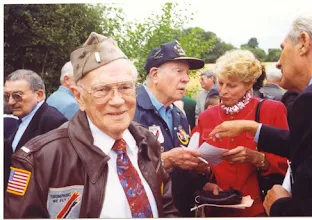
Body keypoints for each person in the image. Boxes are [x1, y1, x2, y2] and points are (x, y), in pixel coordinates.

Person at [5, 32, 179, 218]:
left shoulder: (147, 141)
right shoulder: (39, 160)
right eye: (102, 90)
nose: (118, 101)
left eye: (125, 87)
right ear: (79, 97)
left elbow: (166, 208)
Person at [208, 10, 312, 216]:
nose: (278, 62)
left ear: (304, 42)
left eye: (282, 49)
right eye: (221, 83)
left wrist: (281, 206)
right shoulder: (207, 115)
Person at [197, 49, 289, 217]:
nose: (223, 91)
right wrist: (207, 182)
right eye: (221, 83)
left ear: (249, 83)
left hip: (258, 210)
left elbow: (286, 166)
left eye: (232, 85)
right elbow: (199, 163)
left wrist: (256, 158)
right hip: (218, 209)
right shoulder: (206, 117)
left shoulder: (272, 110)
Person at [134, 40, 216, 217]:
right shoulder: (128, 111)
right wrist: (165, 161)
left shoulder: (178, 115)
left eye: (187, 72)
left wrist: (202, 181)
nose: (186, 78)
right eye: (179, 71)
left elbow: (181, 167)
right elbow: (117, 170)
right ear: (154, 74)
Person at [4, 70, 67, 190]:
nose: (11, 102)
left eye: (17, 96)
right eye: (7, 96)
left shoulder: (53, 122)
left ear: (39, 95)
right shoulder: (22, 118)